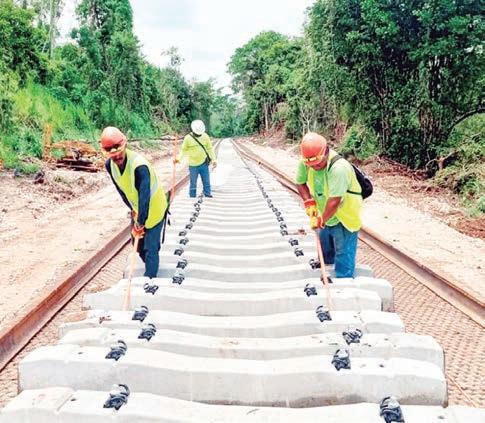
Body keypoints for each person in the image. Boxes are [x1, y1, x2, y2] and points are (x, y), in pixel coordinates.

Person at [100, 126, 167, 279]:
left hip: (155, 208)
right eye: (113, 155)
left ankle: (150, 279)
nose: (117, 157)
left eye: (119, 152)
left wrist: (140, 223)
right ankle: (150, 261)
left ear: (125, 145)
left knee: (150, 248)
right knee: (138, 245)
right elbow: (122, 190)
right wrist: (133, 210)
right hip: (138, 209)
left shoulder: (139, 167)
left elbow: (145, 197)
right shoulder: (110, 165)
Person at [295, 132, 363, 278]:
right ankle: (326, 271)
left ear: (326, 152)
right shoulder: (307, 161)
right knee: (325, 248)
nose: (315, 167)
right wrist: (309, 203)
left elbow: (334, 201)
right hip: (325, 211)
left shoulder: (339, 168)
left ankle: (344, 281)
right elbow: (300, 182)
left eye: (318, 164)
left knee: (343, 253)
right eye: (311, 165)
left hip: (344, 215)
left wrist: (321, 221)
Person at [175, 120, 217, 198]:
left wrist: (214, 160)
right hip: (193, 164)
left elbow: (210, 148)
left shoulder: (205, 136)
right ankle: (192, 196)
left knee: (206, 181)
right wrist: (178, 159)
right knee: (193, 183)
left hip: (204, 163)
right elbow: (183, 150)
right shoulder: (188, 138)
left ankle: (207, 194)